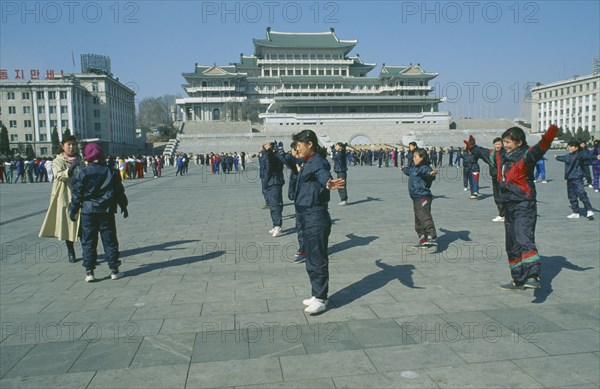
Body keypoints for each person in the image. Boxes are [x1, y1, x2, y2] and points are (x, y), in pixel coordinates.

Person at [468, 125, 558, 290]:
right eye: (504, 141)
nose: (505, 144)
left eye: (508, 142)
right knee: (511, 243)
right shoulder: (499, 155)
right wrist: (473, 147)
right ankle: (518, 279)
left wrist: (547, 140)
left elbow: (538, 150)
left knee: (523, 236)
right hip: (507, 203)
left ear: (519, 142)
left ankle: (533, 275)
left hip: (524, 203)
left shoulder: (526, 155)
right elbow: (484, 153)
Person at [292, 130, 344, 314]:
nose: (297, 149)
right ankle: (316, 293)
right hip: (306, 215)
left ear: (310, 144)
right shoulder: (306, 163)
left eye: (299, 145)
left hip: (316, 215)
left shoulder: (317, 162)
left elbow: (323, 174)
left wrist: (328, 183)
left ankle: (321, 298)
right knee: (311, 256)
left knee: (317, 257)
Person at [69, 143, 128, 282]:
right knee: (110, 240)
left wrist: (73, 210)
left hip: (88, 211)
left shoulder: (82, 173)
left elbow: (77, 195)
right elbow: (119, 192)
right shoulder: (111, 172)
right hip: (106, 211)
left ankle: (89, 272)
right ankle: (114, 269)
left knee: (88, 241)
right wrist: (124, 206)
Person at [39, 135, 83, 263]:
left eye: (74, 144)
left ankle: (88, 251)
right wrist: (70, 169)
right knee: (68, 224)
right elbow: (58, 176)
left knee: (83, 225)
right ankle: (71, 251)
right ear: (63, 146)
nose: (71, 147)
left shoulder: (80, 160)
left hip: (80, 196)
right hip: (65, 196)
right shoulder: (58, 160)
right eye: (69, 144)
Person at [402, 148, 438, 248]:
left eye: (415, 157)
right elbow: (408, 170)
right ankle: (422, 237)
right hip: (415, 197)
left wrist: (431, 174)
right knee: (418, 218)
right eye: (413, 157)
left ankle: (432, 236)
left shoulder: (424, 168)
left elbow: (428, 173)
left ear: (422, 158)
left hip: (423, 196)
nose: (413, 159)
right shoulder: (414, 168)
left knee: (425, 215)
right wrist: (402, 168)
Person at [555, 141, 600, 219]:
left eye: (572, 146)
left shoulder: (579, 155)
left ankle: (589, 209)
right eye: (569, 146)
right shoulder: (568, 155)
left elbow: (587, 156)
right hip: (569, 178)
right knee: (571, 196)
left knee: (581, 193)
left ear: (576, 147)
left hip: (577, 178)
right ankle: (575, 212)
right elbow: (562, 158)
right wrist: (556, 157)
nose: (570, 147)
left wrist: (596, 157)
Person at [263, 141, 285, 237]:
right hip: (272, 182)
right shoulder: (271, 155)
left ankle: (277, 225)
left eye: (267, 146)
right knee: (273, 205)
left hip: (274, 182)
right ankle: (275, 224)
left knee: (275, 204)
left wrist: (265, 183)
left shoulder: (274, 156)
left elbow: (270, 165)